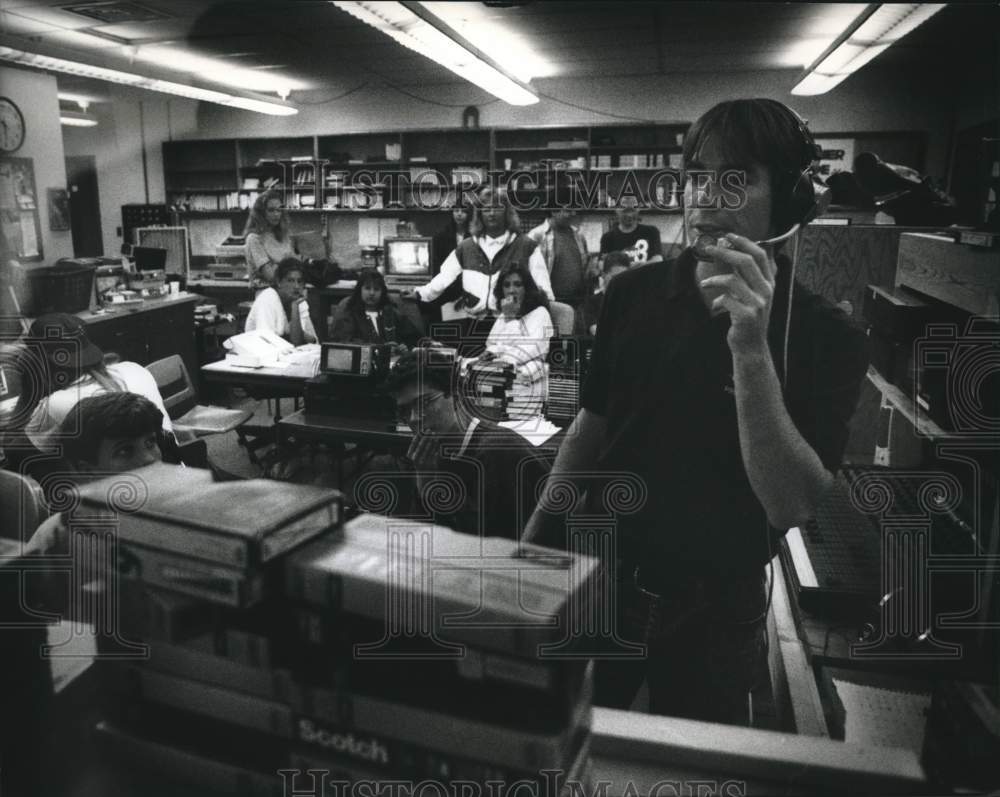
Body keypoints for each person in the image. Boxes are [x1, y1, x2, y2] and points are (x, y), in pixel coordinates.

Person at [523, 98, 869, 725]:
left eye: (734, 178)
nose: (707, 197)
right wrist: (532, 545)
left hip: (717, 612)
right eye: (696, 176)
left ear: (787, 202)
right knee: (570, 745)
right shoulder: (631, 295)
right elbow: (588, 433)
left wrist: (750, 351)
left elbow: (790, 503)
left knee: (705, 769)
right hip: (603, 579)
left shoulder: (825, 335)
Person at [384, 348, 551, 541]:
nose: (413, 418)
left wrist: (431, 486)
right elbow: (424, 537)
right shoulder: (431, 452)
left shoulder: (498, 452)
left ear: (456, 394)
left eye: (424, 403)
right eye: (404, 410)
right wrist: (425, 482)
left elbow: (491, 544)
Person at [400, 186, 553, 352]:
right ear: (479, 214)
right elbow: (444, 277)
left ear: (507, 212)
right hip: (472, 326)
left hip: (510, 325)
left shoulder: (526, 245)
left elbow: (544, 290)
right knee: (467, 369)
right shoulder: (467, 246)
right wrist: (419, 292)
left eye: (497, 208)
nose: (491, 214)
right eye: (486, 209)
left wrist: (533, 314)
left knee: (504, 371)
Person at [25, 392, 167, 556]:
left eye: (150, 443)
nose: (149, 459)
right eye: (124, 451)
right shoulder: (60, 533)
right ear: (87, 471)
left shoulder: (186, 515)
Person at [18, 313, 174, 451]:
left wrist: (28, 387)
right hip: (174, 471)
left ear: (39, 362)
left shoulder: (56, 403)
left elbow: (15, 453)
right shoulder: (134, 369)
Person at [481, 262, 554, 388]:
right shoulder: (505, 314)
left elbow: (524, 353)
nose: (511, 291)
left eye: (517, 285)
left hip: (528, 381)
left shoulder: (540, 314)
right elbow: (491, 344)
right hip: (500, 375)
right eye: (506, 285)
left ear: (527, 288)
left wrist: (510, 320)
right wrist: (491, 352)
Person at [527, 204, 591, 330]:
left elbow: (585, 266)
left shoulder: (579, 235)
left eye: (573, 210)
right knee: (552, 342)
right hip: (550, 305)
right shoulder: (536, 236)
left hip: (577, 303)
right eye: (568, 210)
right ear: (554, 210)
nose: (572, 214)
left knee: (574, 343)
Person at [330, 268, 421, 353]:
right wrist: (380, 348)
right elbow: (343, 342)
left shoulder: (390, 311)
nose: (372, 293)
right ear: (360, 290)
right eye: (367, 288)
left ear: (382, 292)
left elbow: (414, 337)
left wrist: (405, 346)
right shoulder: (349, 311)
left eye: (376, 289)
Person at [245, 257, 318, 344]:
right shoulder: (267, 299)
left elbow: (297, 341)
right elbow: (265, 341)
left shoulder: (299, 301)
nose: (296, 286)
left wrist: (295, 306)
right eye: (290, 281)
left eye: (300, 281)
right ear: (279, 282)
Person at [244, 190, 297, 284]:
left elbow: (296, 268)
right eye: (271, 210)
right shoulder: (254, 238)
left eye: (279, 210)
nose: (276, 214)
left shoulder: (284, 236)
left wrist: (276, 265)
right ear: (261, 213)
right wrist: (286, 267)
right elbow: (271, 276)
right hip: (267, 293)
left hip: (287, 289)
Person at [599, 195, 663, 265]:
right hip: (620, 276)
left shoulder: (651, 232)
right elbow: (601, 264)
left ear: (638, 210)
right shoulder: (607, 237)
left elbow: (658, 259)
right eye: (625, 211)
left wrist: (634, 267)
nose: (629, 215)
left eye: (632, 210)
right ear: (617, 210)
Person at [582, 251, 631, 337]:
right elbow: (596, 331)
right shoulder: (592, 303)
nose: (621, 282)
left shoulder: (634, 301)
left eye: (625, 278)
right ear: (604, 275)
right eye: (615, 277)